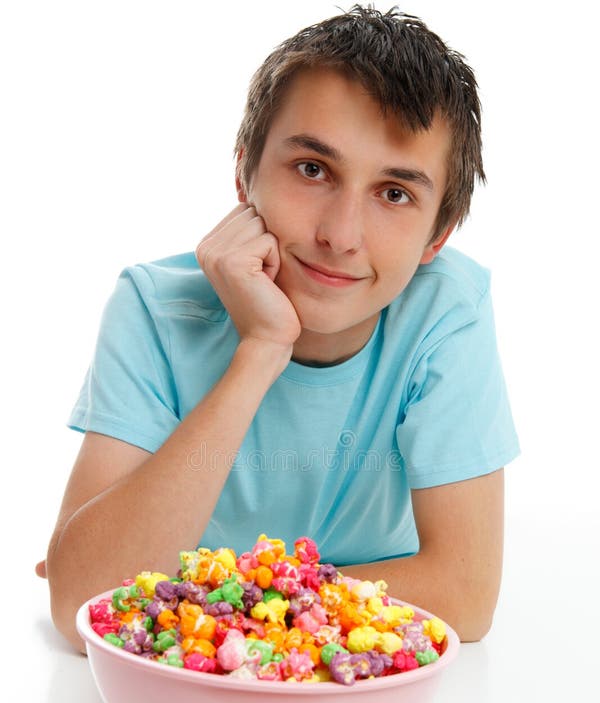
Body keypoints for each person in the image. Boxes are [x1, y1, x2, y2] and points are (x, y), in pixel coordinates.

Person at [40, 5, 520, 653]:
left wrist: (199, 594)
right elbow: (80, 603)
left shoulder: (446, 312)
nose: (340, 236)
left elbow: (464, 593)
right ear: (244, 174)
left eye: (395, 193)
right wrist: (262, 349)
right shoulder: (156, 309)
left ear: (439, 233)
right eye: (312, 170)